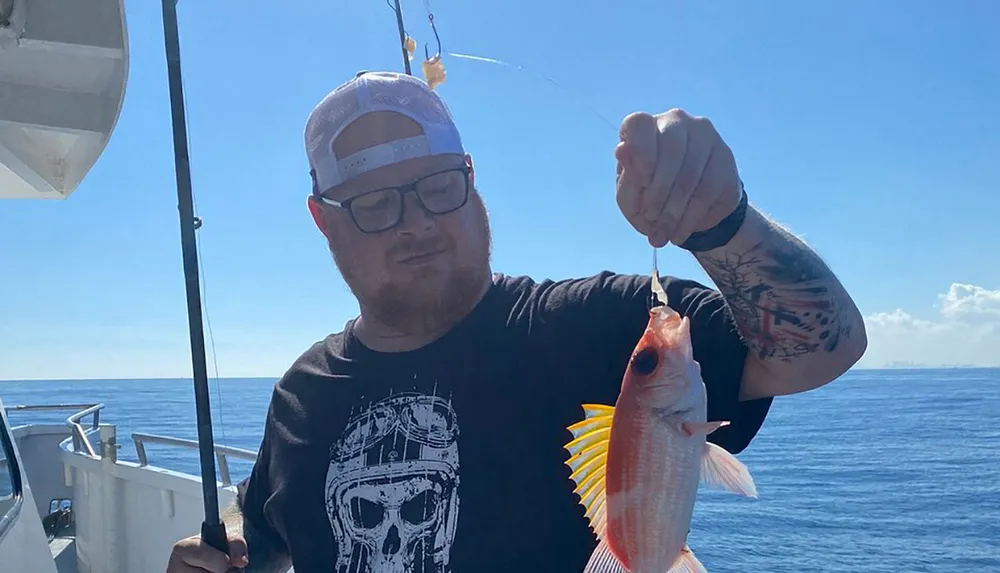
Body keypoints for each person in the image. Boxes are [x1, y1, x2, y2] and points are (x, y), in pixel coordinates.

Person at [166, 71, 866, 573]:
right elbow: (261, 527)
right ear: (323, 222)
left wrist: (723, 224)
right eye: (375, 203)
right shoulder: (302, 391)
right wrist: (220, 548)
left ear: (473, 180)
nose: (418, 223)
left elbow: (819, 347)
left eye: (439, 185)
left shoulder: (591, 328)